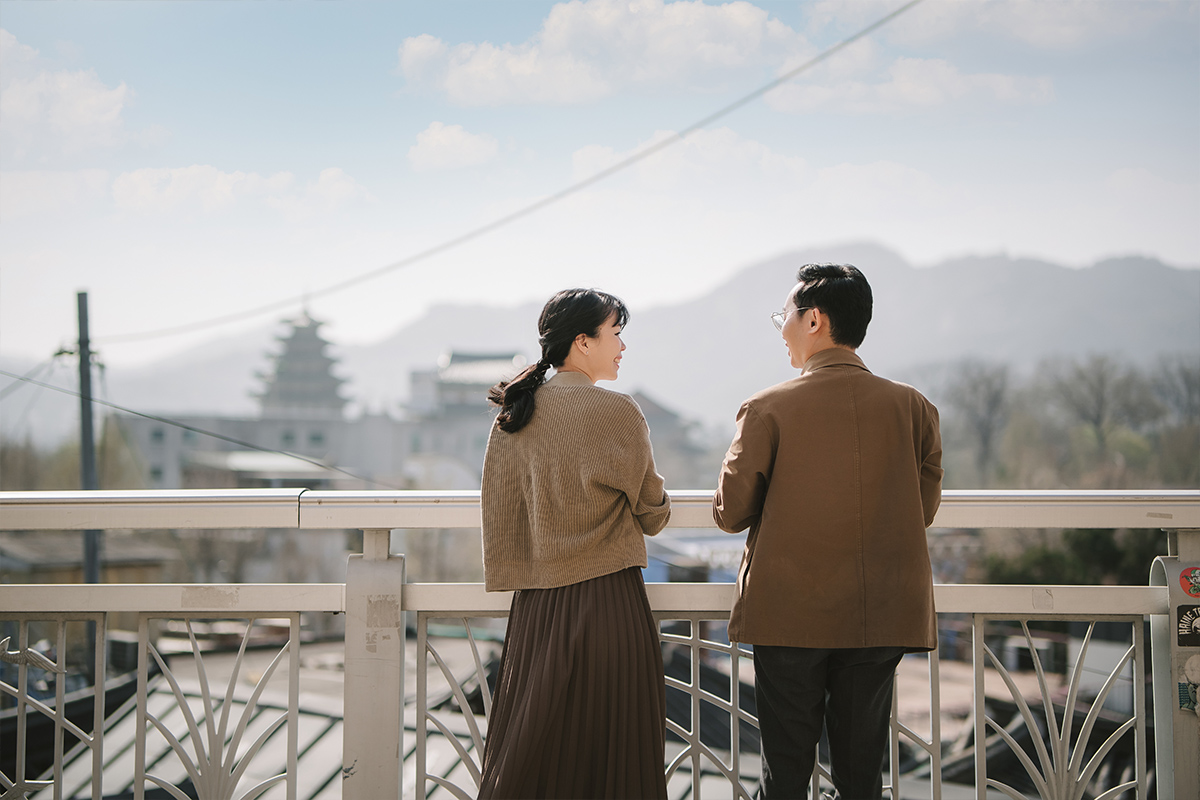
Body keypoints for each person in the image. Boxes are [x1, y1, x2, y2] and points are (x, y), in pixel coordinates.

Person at [712, 264, 942, 800]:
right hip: (881, 611)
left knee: (785, 774)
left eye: (784, 317)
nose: (783, 329)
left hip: (789, 612)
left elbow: (730, 512)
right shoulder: (913, 407)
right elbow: (920, 509)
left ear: (813, 320)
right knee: (861, 775)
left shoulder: (767, 408)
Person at [478, 288, 671, 799]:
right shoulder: (619, 412)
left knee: (536, 754)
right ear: (582, 342)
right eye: (615, 333)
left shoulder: (513, 416)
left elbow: (501, 518)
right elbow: (653, 515)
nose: (622, 346)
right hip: (611, 606)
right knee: (616, 755)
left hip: (537, 608)